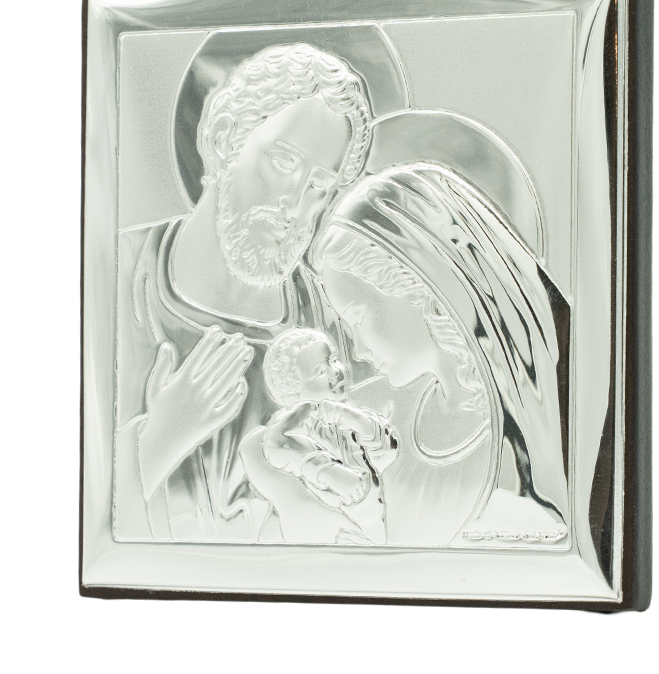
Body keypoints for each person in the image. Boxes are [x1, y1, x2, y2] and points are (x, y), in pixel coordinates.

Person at [114, 43, 371, 541]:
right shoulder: (114, 276)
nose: (295, 205)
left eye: (319, 186)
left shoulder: (337, 326)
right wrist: (158, 440)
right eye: (283, 162)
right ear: (223, 139)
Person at [310, 162, 570, 547]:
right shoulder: (374, 413)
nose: (358, 351)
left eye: (358, 318)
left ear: (421, 284)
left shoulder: (533, 442)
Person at [254, 327, 398, 543]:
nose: (335, 372)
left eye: (334, 360)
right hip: (329, 530)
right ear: (294, 392)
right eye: (320, 372)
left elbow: (386, 453)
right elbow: (276, 443)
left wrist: (359, 422)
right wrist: (327, 471)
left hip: (371, 520)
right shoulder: (303, 414)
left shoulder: (346, 415)